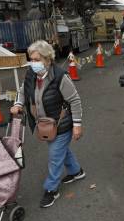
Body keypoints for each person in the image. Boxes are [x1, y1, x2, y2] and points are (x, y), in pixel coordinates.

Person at [10, 41, 85, 208]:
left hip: (62, 124)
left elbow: (74, 100)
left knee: (54, 156)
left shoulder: (60, 76)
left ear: (48, 59)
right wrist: (18, 104)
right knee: (60, 150)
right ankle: (76, 171)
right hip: (45, 125)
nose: (33, 63)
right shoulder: (31, 74)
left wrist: (77, 125)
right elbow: (23, 90)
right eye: (31, 59)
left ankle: (51, 190)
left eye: (37, 59)